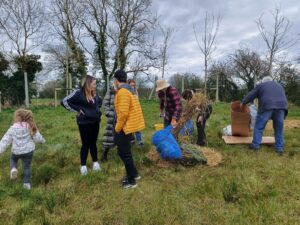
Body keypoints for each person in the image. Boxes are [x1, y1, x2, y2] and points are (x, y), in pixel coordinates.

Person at [61, 75, 102, 175]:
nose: (95, 86)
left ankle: (95, 163)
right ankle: (83, 166)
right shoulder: (78, 93)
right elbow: (64, 101)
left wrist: (97, 112)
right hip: (84, 123)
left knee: (93, 143)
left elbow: (99, 103)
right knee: (86, 144)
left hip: (95, 122)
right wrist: (77, 110)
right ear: (88, 83)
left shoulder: (95, 94)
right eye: (94, 84)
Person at [113, 70, 145, 189]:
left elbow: (123, 114)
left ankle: (131, 181)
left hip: (124, 127)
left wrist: (117, 128)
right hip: (129, 126)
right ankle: (134, 174)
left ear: (116, 80)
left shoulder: (122, 92)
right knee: (125, 152)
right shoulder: (130, 90)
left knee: (123, 153)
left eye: (114, 80)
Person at [240, 76, 288, 154]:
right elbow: (283, 97)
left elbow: (251, 95)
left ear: (263, 81)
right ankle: (279, 149)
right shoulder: (279, 86)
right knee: (279, 129)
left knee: (259, 127)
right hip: (281, 107)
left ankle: (255, 146)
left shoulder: (261, 85)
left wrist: (243, 102)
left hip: (267, 106)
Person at [0, 109, 45, 190]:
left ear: (17, 118)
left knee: (13, 159)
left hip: (16, 151)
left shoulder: (12, 128)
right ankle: (26, 185)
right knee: (27, 167)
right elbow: (37, 137)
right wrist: (42, 141)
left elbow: (5, 141)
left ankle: (13, 169)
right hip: (28, 152)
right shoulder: (30, 126)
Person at [127, 79, 144, 147]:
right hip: (129, 113)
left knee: (137, 128)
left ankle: (139, 141)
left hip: (136, 113)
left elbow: (137, 103)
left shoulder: (136, 93)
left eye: (133, 85)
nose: (132, 87)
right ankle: (132, 140)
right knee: (130, 127)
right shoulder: (126, 93)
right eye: (131, 85)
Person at [102, 85, 116, 162]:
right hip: (112, 116)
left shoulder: (124, 89)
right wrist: (108, 112)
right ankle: (104, 154)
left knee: (122, 137)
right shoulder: (111, 90)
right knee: (108, 136)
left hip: (121, 117)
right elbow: (106, 102)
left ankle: (122, 154)